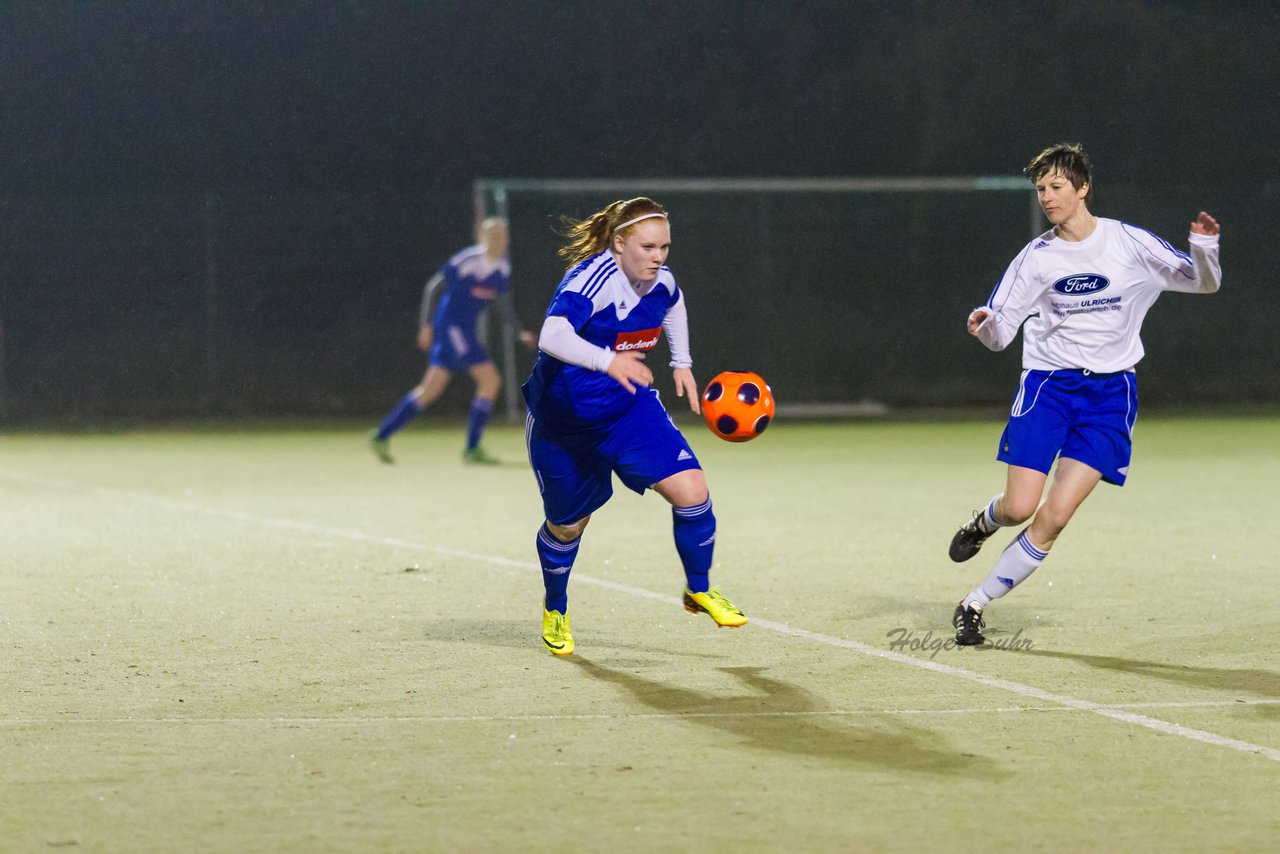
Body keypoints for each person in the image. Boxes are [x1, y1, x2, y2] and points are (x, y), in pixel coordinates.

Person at [947, 143, 1222, 645]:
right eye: (1041, 189)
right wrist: (984, 327)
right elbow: (1002, 329)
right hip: (1049, 387)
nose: (1047, 197)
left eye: (1055, 187)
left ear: (1083, 188)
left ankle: (974, 604)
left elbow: (1202, 284)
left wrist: (1204, 248)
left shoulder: (1129, 243)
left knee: (1054, 517)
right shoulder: (1037, 257)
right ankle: (986, 520)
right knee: (1019, 507)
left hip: (1110, 396)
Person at [523, 197, 747, 655]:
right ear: (619, 242)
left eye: (665, 247)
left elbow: (674, 302)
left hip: (628, 411)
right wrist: (608, 361)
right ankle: (556, 608)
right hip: (563, 424)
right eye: (648, 247)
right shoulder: (593, 279)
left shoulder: (659, 280)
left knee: (693, 491)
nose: (658, 256)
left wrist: (681, 362)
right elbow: (552, 335)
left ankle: (699, 588)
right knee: (567, 527)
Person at [369, 217, 535, 464]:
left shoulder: (501, 267)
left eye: (503, 236)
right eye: (495, 235)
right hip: (451, 328)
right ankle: (471, 448)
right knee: (490, 381)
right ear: (482, 237)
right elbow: (434, 287)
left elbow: (501, 303)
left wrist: (519, 330)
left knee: (430, 390)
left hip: (462, 331)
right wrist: (425, 325)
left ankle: (381, 435)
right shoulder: (468, 260)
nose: (500, 240)